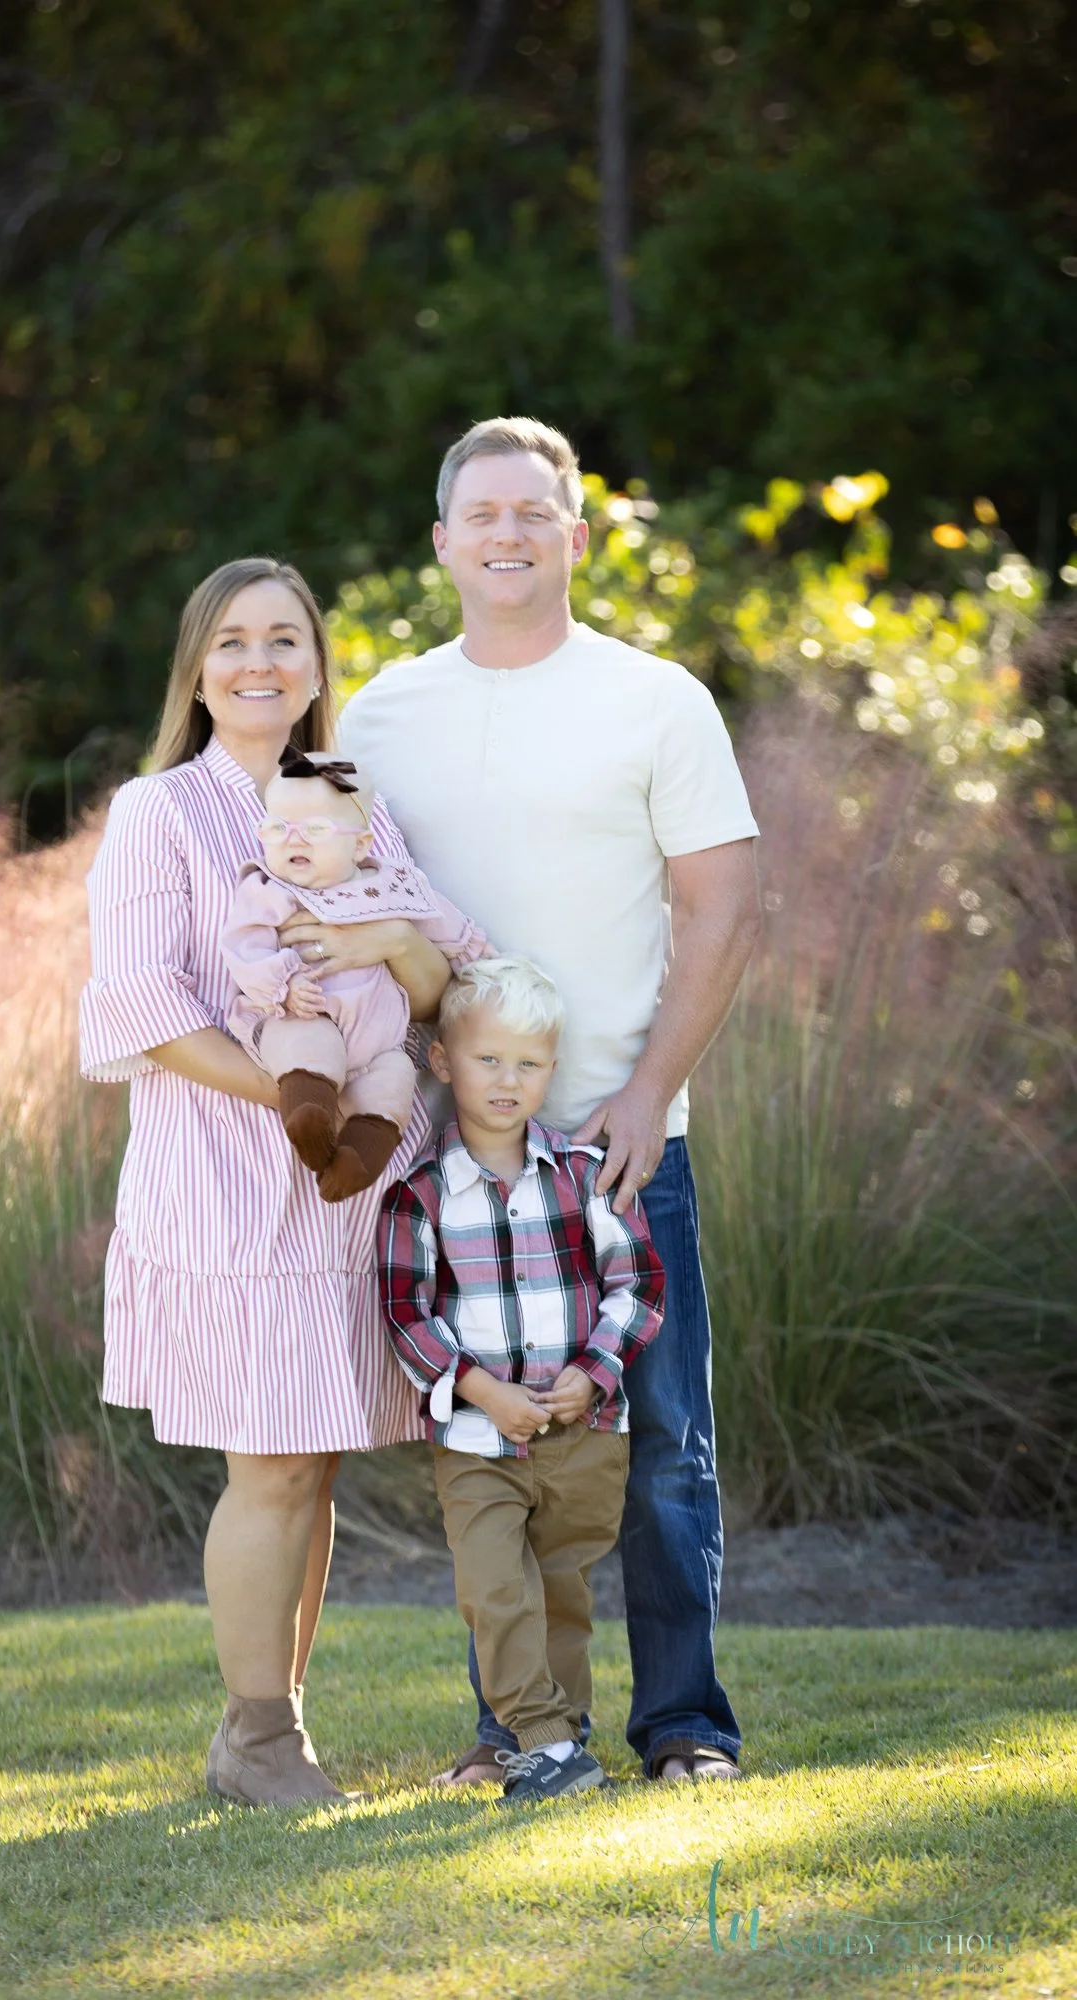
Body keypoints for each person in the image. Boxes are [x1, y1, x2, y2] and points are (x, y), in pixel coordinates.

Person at [340, 416, 762, 1784]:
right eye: (483, 514)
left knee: (661, 1459)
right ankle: (517, 1728)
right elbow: (347, 907)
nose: (508, 534)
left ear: (576, 535)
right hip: (460, 1173)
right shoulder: (381, 713)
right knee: (496, 1462)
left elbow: (722, 905)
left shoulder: (654, 699)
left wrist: (651, 1090)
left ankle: (684, 1725)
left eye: (536, 512)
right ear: (443, 542)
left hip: (620, 1148)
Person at [79, 556, 455, 1806]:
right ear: (196, 666)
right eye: (232, 640)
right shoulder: (159, 811)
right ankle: (253, 1737)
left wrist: (391, 951)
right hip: (232, 1175)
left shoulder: (356, 802)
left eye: (283, 639)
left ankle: (276, 1726)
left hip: (355, 1183)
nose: (258, 662)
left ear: (314, 665)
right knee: (272, 1461)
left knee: (318, 1452)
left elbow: (424, 980)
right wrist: (293, 1099)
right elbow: (146, 1006)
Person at [379, 958, 664, 1802]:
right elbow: (407, 1313)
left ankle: (558, 1745)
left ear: (552, 1068)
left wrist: (594, 1374)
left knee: (561, 1596)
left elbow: (637, 1284)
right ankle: (540, 1738)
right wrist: (477, 1388)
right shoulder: (420, 1198)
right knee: (497, 1590)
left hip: (582, 1435)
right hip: (479, 1441)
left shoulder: (584, 1175)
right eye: (487, 1060)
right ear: (442, 1062)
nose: (507, 1081)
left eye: (528, 1064)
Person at [221, 743, 488, 1200]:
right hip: (307, 1011)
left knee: (394, 1086)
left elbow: (452, 930)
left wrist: (487, 969)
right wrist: (283, 987)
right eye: (278, 827)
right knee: (309, 1046)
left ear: (361, 843)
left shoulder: (392, 884)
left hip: (381, 1040)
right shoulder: (267, 890)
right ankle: (310, 1115)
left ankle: (357, 1159)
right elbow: (244, 948)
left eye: (316, 828)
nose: (294, 840)